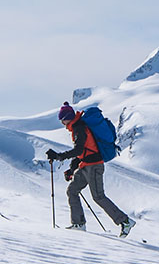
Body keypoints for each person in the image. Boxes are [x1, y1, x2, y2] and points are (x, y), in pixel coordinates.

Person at [46, 102, 136, 237]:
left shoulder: (79, 128)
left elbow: (79, 149)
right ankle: (78, 224)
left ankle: (125, 221)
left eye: (63, 120)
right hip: (86, 165)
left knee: (98, 196)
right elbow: (84, 151)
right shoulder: (77, 126)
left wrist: (59, 156)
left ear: (68, 117)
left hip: (94, 166)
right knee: (72, 190)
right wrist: (72, 170)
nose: (62, 123)